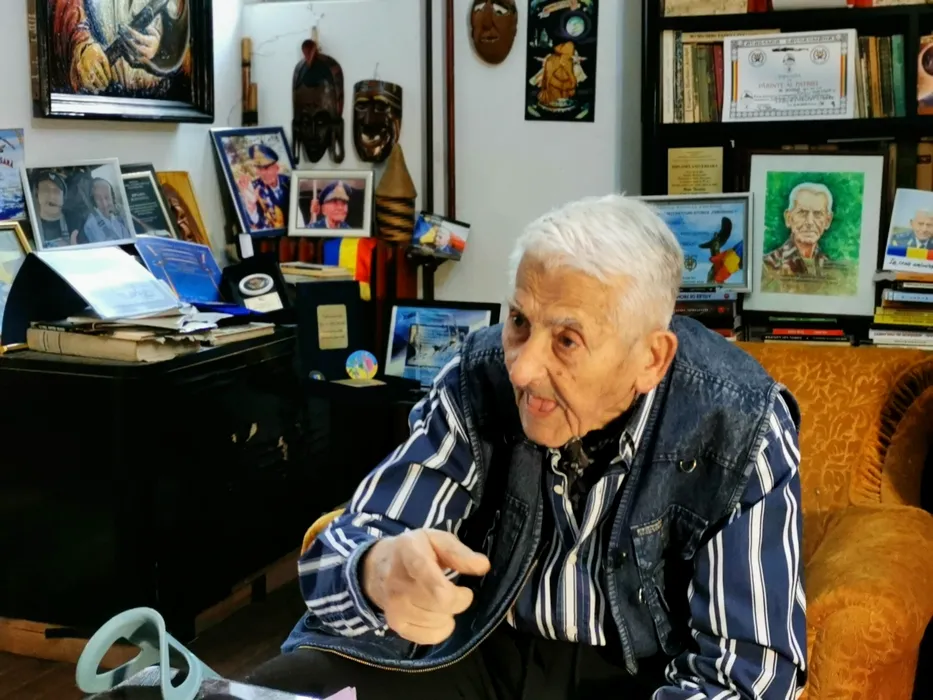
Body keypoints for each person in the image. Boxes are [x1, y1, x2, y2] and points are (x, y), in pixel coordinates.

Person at [246, 195, 807, 699]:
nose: (521, 368)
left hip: (642, 678)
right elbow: (339, 553)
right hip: (478, 646)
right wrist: (376, 570)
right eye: (518, 321)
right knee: (281, 688)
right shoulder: (476, 378)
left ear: (650, 359)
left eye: (566, 340)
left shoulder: (741, 425)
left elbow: (750, 674)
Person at [763, 182, 833, 276]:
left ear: (827, 221)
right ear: (788, 218)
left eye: (818, 214)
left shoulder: (832, 268)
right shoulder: (767, 267)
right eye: (802, 212)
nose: (810, 222)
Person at [241, 144, 289, 231]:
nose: (263, 173)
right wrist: (252, 209)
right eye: (259, 168)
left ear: (277, 168)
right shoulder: (254, 189)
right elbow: (255, 226)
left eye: (266, 168)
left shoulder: (289, 182)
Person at [32, 172, 79, 248]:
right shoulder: (29, 226)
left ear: (63, 198)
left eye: (56, 191)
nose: (52, 196)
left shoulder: (76, 222)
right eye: (45, 190)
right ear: (37, 195)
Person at [82, 178, 132, 243]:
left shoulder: (118, 218)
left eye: (107, 197)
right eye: (99, 199)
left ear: (113, 198)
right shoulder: (91, 224)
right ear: (93, 201)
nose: (104, 204)